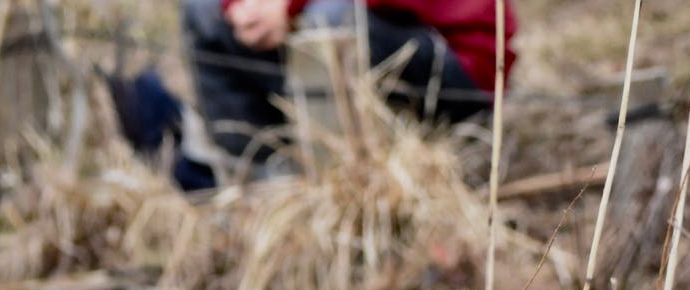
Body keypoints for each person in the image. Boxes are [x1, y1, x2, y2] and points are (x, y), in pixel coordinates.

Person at [184, 0, 519, 165]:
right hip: (361, 35)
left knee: (331, 19)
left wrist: (288, 4)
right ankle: (262, 178)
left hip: (460, 58)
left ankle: (351, 182)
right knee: (204, 10)